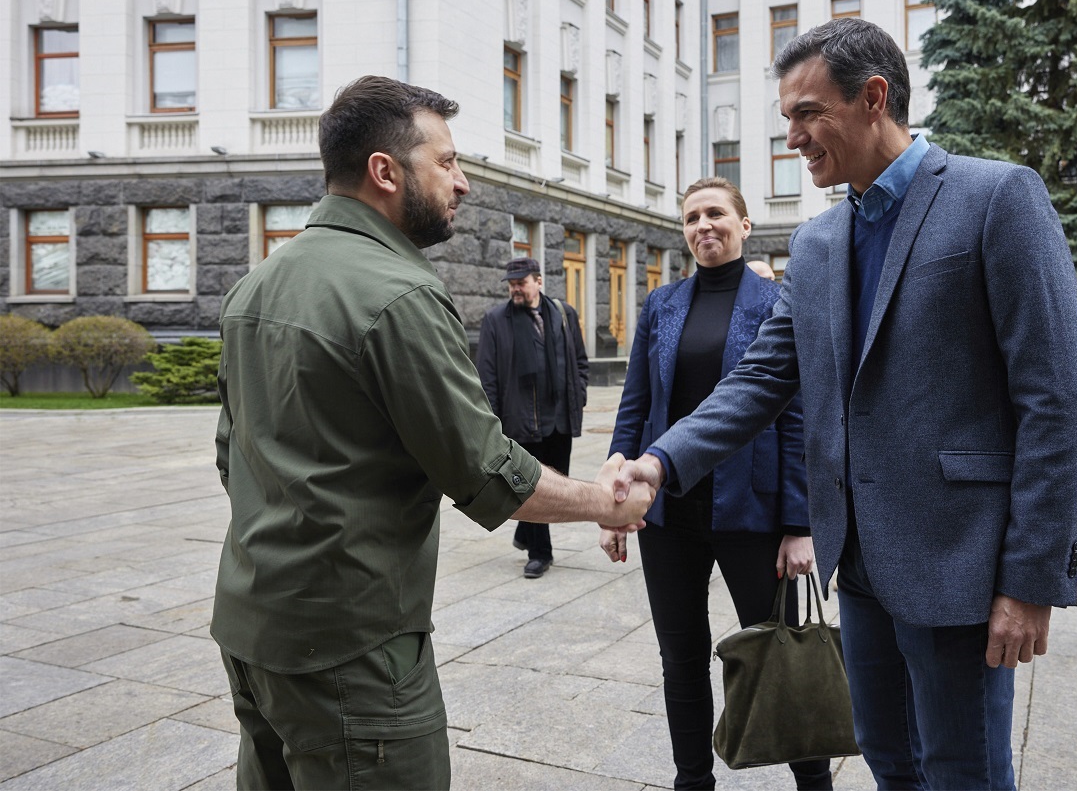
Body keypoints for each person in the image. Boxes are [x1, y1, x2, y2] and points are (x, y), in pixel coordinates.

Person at [613, 18, 1077, 790]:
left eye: (808, 114)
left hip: (961, 566)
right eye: (786, 120)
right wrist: (660, 461)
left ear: (874, 97)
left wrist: (1030, 577)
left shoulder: (995, 197)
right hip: (861, 566)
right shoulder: (818, 239)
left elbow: (1062, 402)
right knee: (887, 755)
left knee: (963, 767)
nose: (793, 138)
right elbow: (761, 380)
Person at [211, 75, 653, 791]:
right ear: (385, 172)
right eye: (446, 162)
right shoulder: (400, 292)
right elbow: (487, 471)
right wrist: (609, 502)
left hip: (252, 628)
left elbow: (233, 457)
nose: (465, 182)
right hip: (352, 650)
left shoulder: (256, 285)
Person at [601, 177, 831, 791]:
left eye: (716, 214)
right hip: (667, 514)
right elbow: (636, 407)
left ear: (744, 224)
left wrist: (799, 522)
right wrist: (614, 500)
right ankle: (690, 781)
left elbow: (796, 415)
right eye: (692, 217)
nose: (703, 226)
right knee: (679, 661)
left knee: (779, 658)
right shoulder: (662, 304)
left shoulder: (778, 302)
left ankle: (813, 781)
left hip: (750, 514)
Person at [477, 256, 590, 578]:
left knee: (559, 486)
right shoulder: (496, 320)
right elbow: (487, 376)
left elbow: (580, 361)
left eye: (521, 282)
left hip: (560, 419)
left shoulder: (564, 314)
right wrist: (493, 423)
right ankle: (541, 554)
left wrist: (579, 393)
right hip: (521, 421)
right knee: (533, 489)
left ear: (538, 282)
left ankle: (525, 533)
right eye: (511, 283)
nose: (515, 288)